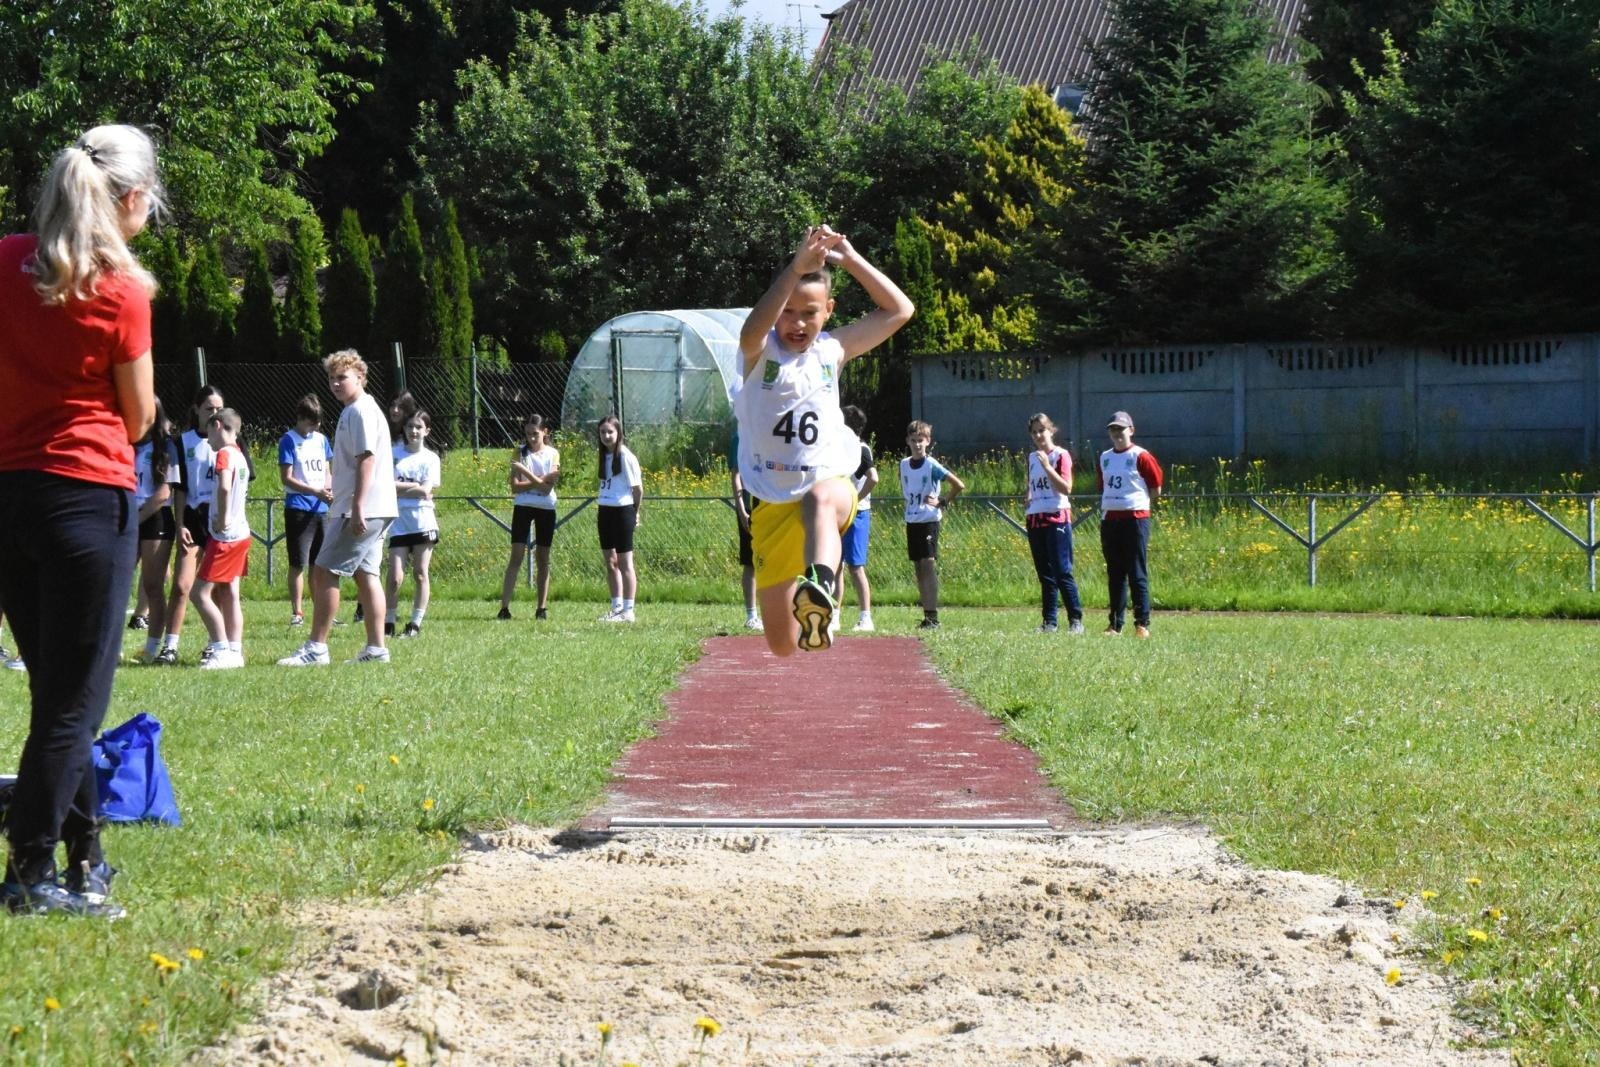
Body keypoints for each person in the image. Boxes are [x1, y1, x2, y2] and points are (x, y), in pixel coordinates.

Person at [0, 123, 160, 917]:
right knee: (74, 702)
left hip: (8, 496)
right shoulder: (123, 289)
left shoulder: (3, 261)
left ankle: (85, 854)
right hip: (88, 497)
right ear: (129, 200)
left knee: (57, 693)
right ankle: (29, 870)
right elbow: (136, 420)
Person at [736, 225, 913, 655]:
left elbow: (899, 310)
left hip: (827, 481)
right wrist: (797, 267)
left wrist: (850, 259)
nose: (798, 323)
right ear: (777, 310)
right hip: (772, 498)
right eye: (789, 312)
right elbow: (751, 332)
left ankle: (821, 590)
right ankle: (809, 618)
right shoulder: (759, 355)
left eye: (810, 313)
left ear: (829, 310)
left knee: (821, 498)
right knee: (782, 646)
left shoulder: (832, 349)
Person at [278, 350, 397, 665]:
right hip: (376, 506)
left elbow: (366, 459)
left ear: (360, 377)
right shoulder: (357, 410)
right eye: (331, 378)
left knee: (324, 570)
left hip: (363, 509)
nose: (335, 383)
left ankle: (316, 648)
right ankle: (376, 649)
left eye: (342, 377)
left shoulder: (359, 411)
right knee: (365, 574)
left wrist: (356, 505)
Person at [154, 384, 224, 664]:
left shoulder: (231, 440)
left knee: (217, 587)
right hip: (193, 521)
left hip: (220, 522)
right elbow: (179, 489)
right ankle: (170, 646)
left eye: (219, 409)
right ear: (197, 410)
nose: (215, 414)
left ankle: (215, 643)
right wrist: (180, 522)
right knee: (182, 585)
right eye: (209, 409)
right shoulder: (183, 443)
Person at [189, 408, 250, 668]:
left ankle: (220, 647)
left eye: (208, 432)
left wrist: (223, 519)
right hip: (241, 534)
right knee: (228, 592)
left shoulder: (224, 454)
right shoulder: (241, 456)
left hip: (225, 535)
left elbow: (224, 487)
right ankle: (235, 650)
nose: (207, 440)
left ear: (217, 425)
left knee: (199, 594)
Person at [1098, 410, 1163, 638]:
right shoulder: (1104, 457)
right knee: (1115, 573)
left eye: (1121, 429)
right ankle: (1115, 624)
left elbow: (1156, 488)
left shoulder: (1140, 456)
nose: (1117, 433)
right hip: (1110, 520)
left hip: (1135, 520)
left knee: (1136, 572)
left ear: (1131, 431)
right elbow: (1103, 486)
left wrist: (1137, 504)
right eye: (1113, 429)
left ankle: (1142, 623)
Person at [900, 420, 965, 630]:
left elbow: (958, 484)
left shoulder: (931, 465)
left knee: (927, 565)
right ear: (908, 442)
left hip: (929, 520)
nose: (917, 445)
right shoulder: (904, 464)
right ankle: (926, 614)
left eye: (921, 440)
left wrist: (943, 502)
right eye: (913, 441)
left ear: (927, 441)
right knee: (918, 567)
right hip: (912, 519)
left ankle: (933, 616)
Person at [1024, 413, 1084, 634]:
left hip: (1056, 516)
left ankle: (1075, 619)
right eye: (1034, 432)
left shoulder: (1061, 455)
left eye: (1042, 430)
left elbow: (1066, 488)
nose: (1039, 435)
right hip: (1035, 517)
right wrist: (1029, 494)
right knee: (1045, 573)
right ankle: (1049, 622)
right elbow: (1032, 482)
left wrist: (1048, 468)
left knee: (1062, 570)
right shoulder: (1032, 457)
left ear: (1051, 430)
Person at [278, 393, 334, 626]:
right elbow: (287, 479)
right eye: (311, 422)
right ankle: (297, 612)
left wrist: (328, 490)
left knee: (318, 563)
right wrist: (314, 491)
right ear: (300, 418)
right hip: (298, 509)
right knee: (298, 562)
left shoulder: (321, 440)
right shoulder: (288, 440)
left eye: (318, 423)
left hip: (321, 508)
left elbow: (327, 471)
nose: (315, 427)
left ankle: (321, 609)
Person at [498, 414, 560, 621]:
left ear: (545, 432)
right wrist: (539, 481)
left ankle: (541, 607)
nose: (531, 438)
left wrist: (526, 473)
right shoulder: (519, 452)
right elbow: (515, 487)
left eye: (535, 434)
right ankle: (504, 607)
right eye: (527, 434)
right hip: (523, 507)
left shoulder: (553, 454)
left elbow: (547, 490)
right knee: (516, 556)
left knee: (543, 557)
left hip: (546, 507)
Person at [131, 399, 180, 662]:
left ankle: (151, 647)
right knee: (115, 585)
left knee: (152, 585)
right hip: (128, 518)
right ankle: (109, 646)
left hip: (154, 520)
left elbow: (163, 493)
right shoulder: (126, 442)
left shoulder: (166, 446)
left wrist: (136, 519)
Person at [386, 409, 441, 638]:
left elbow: (426, 490)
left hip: (423, 521)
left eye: (419, 427)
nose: (414, 431)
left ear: (426, 430)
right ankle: (388, 621)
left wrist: (400, 487)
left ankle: (415, 624)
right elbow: (386, 484)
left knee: (420, 572)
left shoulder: (431, 458)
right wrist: (413, 487)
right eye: (410, 427)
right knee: (395, 575)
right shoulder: (393, 454)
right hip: (398, 521)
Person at [595, 415, 642, 622]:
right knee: (610, 561)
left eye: (610, 432)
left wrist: (634, 511)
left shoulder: (625, 456)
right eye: (603, 432)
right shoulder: (602, 455)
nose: (606, 435)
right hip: (604, 509)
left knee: (625, 562)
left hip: (623, 511)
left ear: (618, 433)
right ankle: (616, 607)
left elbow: (637, 489)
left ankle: (629, 611)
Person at [839, 404, 877, 633]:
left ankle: (866, 617)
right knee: (835, 565)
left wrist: (855, 499)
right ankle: (834, 614)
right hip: (840, 514)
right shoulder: (842, 450)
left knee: (855, 566)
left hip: (858, 512)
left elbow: (873, 477)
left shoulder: (861, 449)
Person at [727, 424, 760, 630]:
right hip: (750, 506)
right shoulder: (740, 437)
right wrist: (742, 510)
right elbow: (736, 474)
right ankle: (751, 615)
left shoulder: (769, 431)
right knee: (750, 562)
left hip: (771, 504)